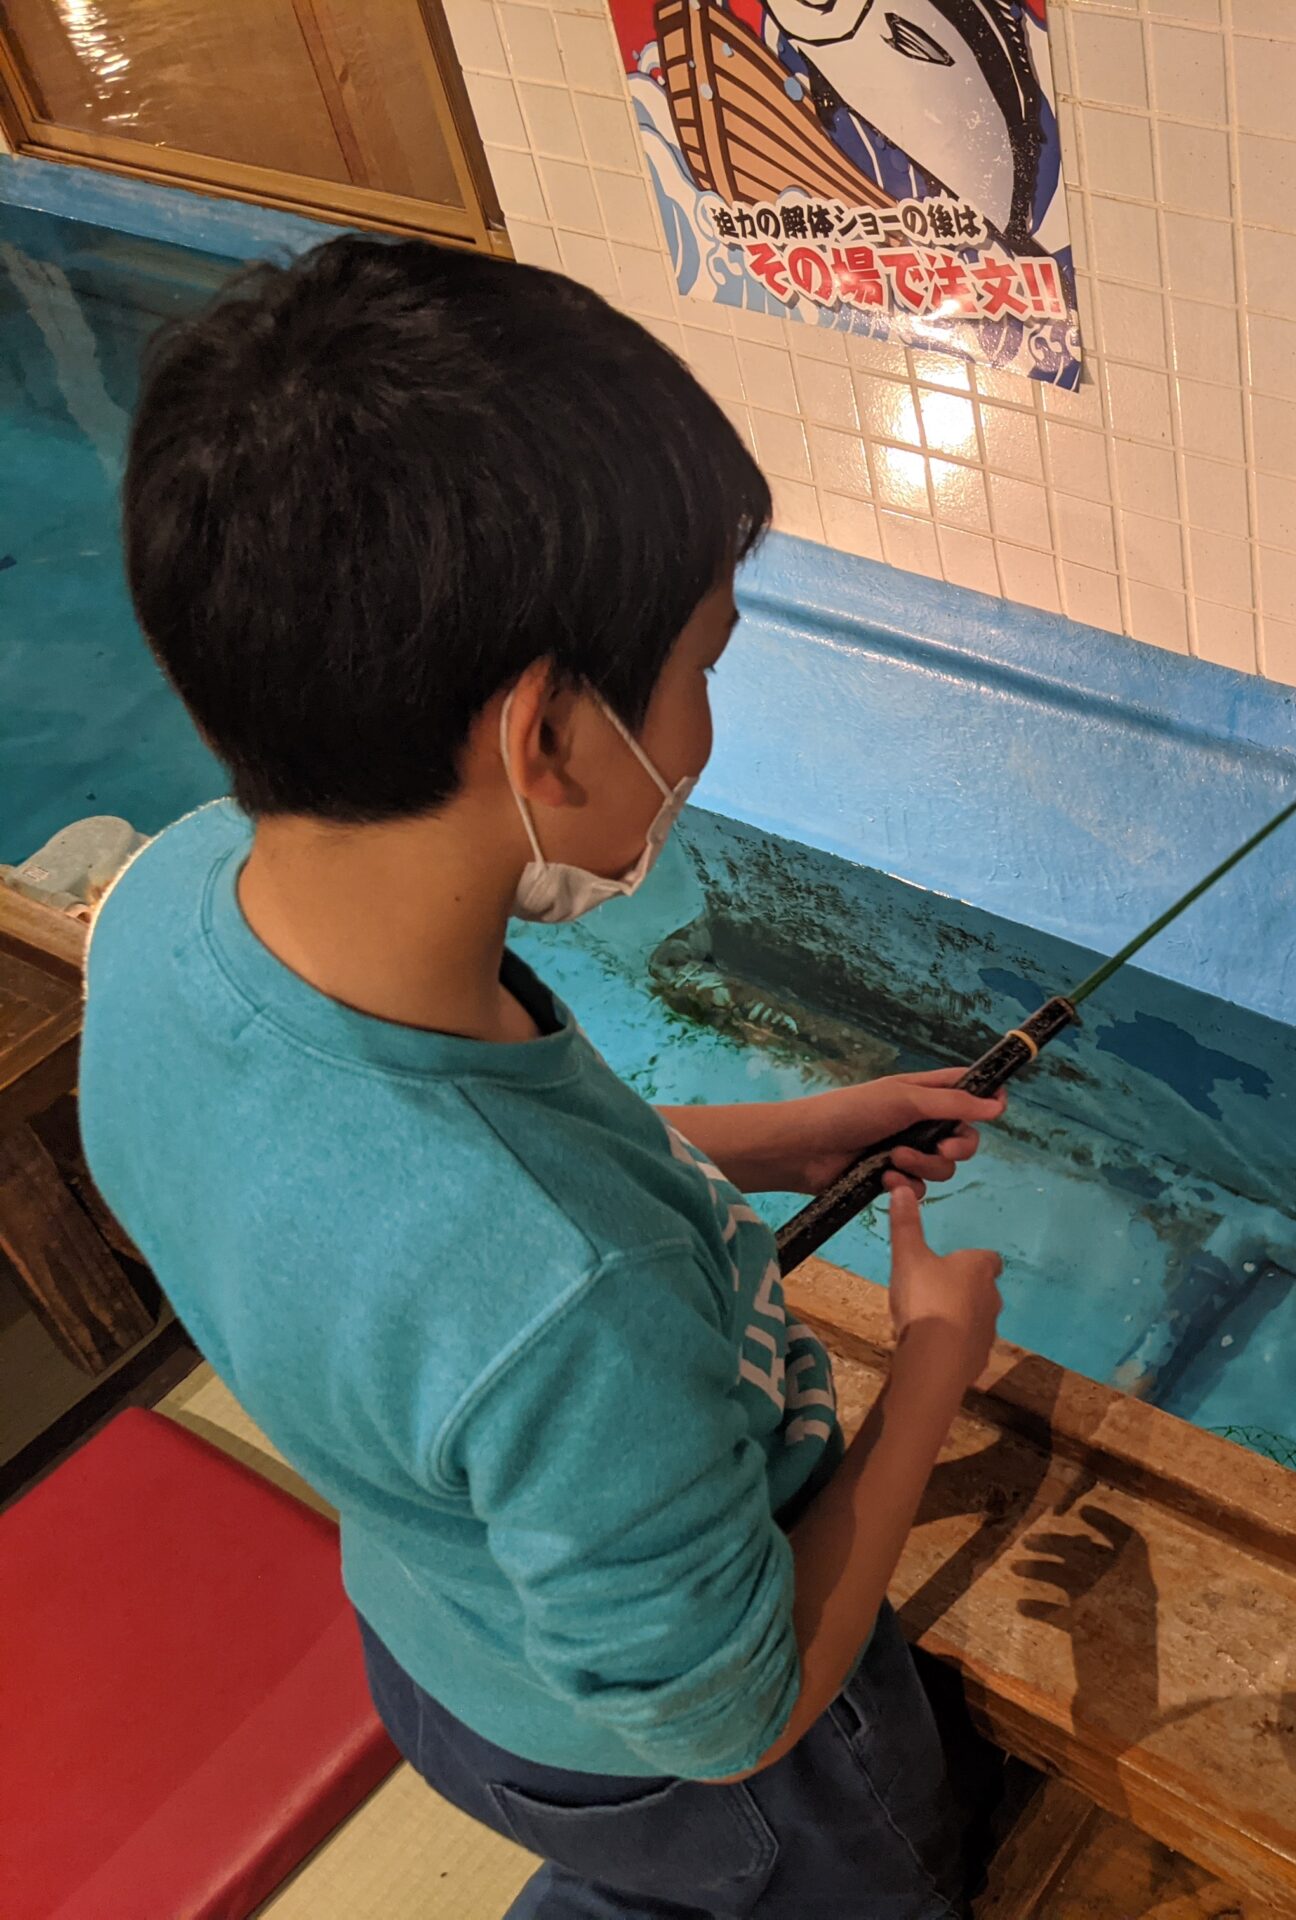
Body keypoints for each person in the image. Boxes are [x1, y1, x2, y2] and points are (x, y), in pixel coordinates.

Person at [81, 235, 1010, 1919]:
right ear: (548, 737)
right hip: (710, 1771)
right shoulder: (567, 1297)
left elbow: (393, 1232)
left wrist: (792, 1139)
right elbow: (734, 1709)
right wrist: (934, 1364)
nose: (705, 714)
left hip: (446, 1658)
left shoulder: (165, 909)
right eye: (702, 663)